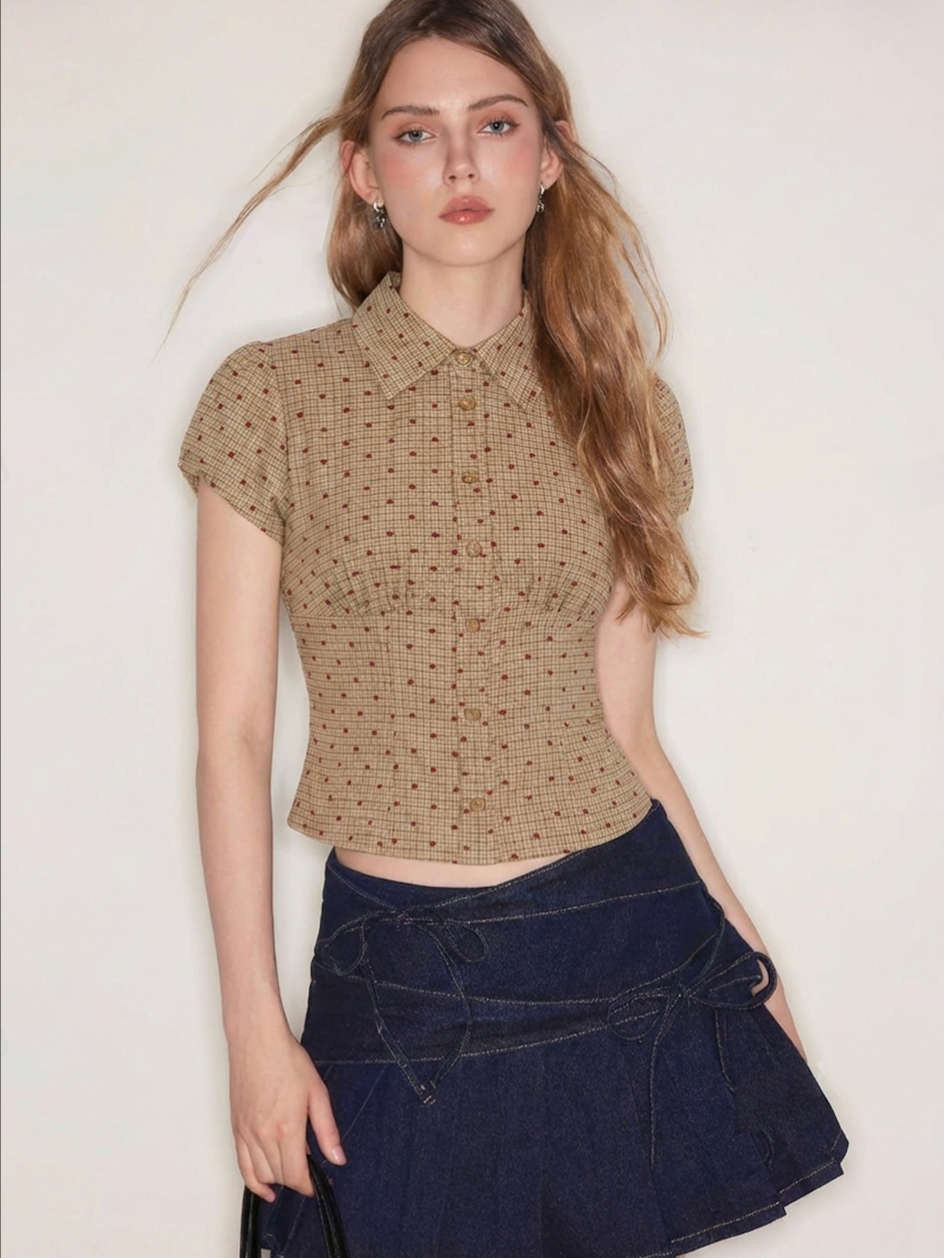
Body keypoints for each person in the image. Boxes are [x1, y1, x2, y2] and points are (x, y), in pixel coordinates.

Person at [175, 2, 849, 1254]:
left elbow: (627, 735)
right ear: (364, 173)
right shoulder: (273, 400)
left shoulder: (625, 414)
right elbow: (233, 737)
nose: (458, 161)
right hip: (394, 974)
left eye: (493, 125)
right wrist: (252, 1032)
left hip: (622, 942)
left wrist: (749, 966)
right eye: (414, 132)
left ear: (547, 157)